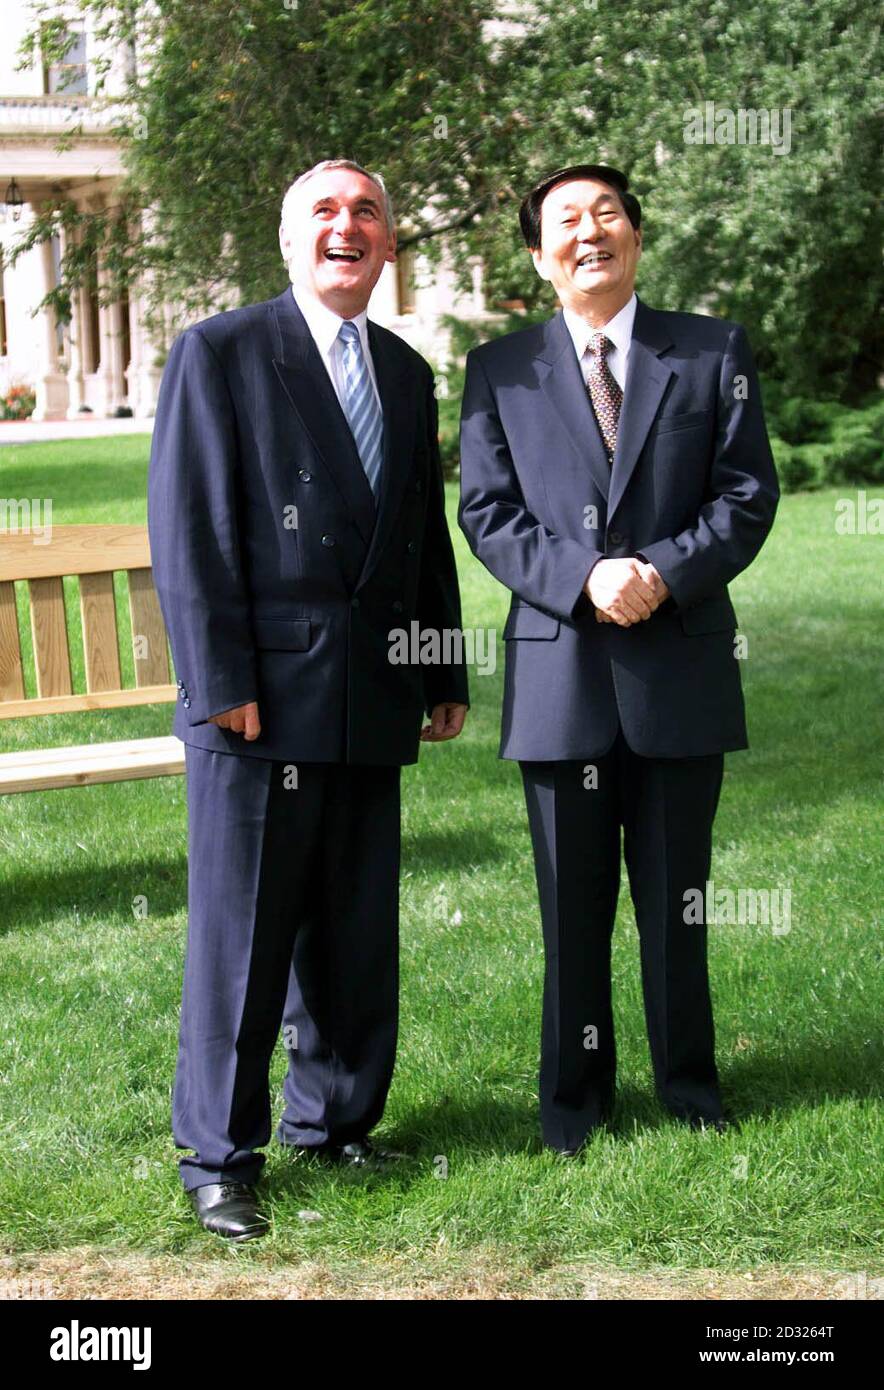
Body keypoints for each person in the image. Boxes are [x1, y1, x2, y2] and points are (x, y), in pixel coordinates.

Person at [148, 159, 469, 1238]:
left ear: (388, 245)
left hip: (372, 693)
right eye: (324, 213)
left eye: (366, 213)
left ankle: (332, 1122)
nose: (347, 228)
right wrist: (219, 682)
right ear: (289, 241)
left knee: (351, 923)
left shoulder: (407, 370)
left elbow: (417, 535)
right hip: (260, 702)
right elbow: (189, 533)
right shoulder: (222, 353)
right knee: (245, 936)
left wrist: (440, 666)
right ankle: (218, 1155)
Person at [458, 163, 778, 1155]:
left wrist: (660, 570)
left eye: (605, 214)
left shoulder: (708, 350)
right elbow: (486, 511)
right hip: (558, 674)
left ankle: (688, 1087)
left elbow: (743, 494)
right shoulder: (498, 370)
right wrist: (585, 577)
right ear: (535, 254)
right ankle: (572, 1104)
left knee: (677, 902)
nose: (587, 231)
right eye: (565, 220)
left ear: (634, 236)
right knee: (571, 910)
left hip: (675, 668)